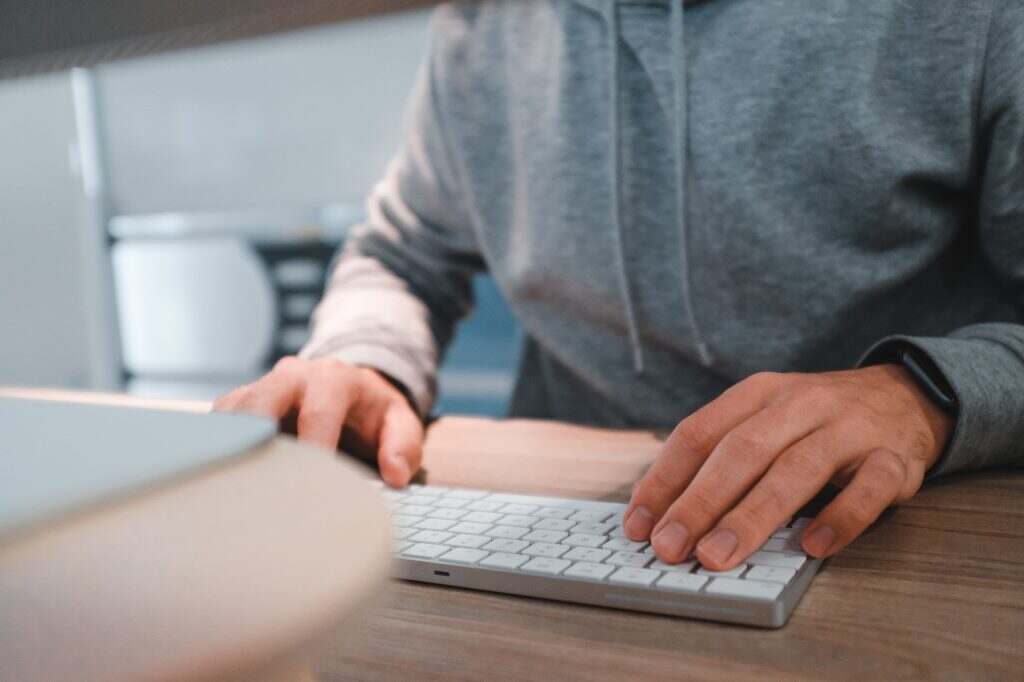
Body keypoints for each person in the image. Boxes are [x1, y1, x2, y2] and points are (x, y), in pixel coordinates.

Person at [216, 1, 1024, 572]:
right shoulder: (479, 26)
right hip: (564, 525)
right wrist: (364, 358)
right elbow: (403, 252)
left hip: (885, 534)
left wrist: (920, 398)